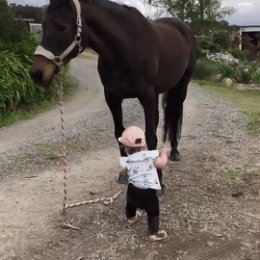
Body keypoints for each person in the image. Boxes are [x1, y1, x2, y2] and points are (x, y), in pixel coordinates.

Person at [118, 126, 170, 242]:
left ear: (126, 147)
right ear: (143, 144)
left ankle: (131, 217)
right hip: (148, 193)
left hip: (132, 191)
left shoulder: (127, 160)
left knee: (130, 204)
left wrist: (126, 171)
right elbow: (162, 164)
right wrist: (165, 154)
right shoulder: (150, 156)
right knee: (153, 211)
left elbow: (123, 172)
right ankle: (153, 233)